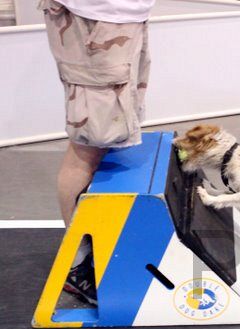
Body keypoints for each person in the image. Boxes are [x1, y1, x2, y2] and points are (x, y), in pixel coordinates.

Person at [39, 0, 154, 304]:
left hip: (122, 14)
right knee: (89, 144)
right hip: (93, 15)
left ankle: (96, 246)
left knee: (110, 136)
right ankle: (76, 265)